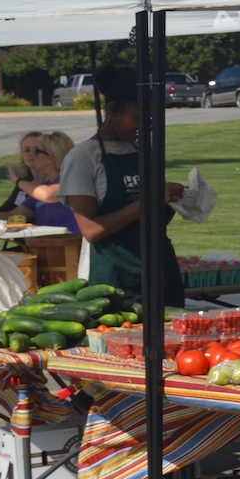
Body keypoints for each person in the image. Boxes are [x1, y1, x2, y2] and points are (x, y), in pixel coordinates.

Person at [58, 66, 185, 305]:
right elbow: (91, 230)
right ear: (113, 109)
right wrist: (150, 199)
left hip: (158, 273)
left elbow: (153, 223)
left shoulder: (143, 153)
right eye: (137, 118)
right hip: (112, 281)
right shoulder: (83, 157)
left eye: (149, 120)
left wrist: (174, 203)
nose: (143, 127)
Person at [0, 131, 79, 232]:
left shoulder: (70, 180)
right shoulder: (43, 186)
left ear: (51, 158)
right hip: (48, 245)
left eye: (36, 151)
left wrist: (17, 180)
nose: (32, 154)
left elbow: (47, 195)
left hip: (71, 245)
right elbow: (13, 215)